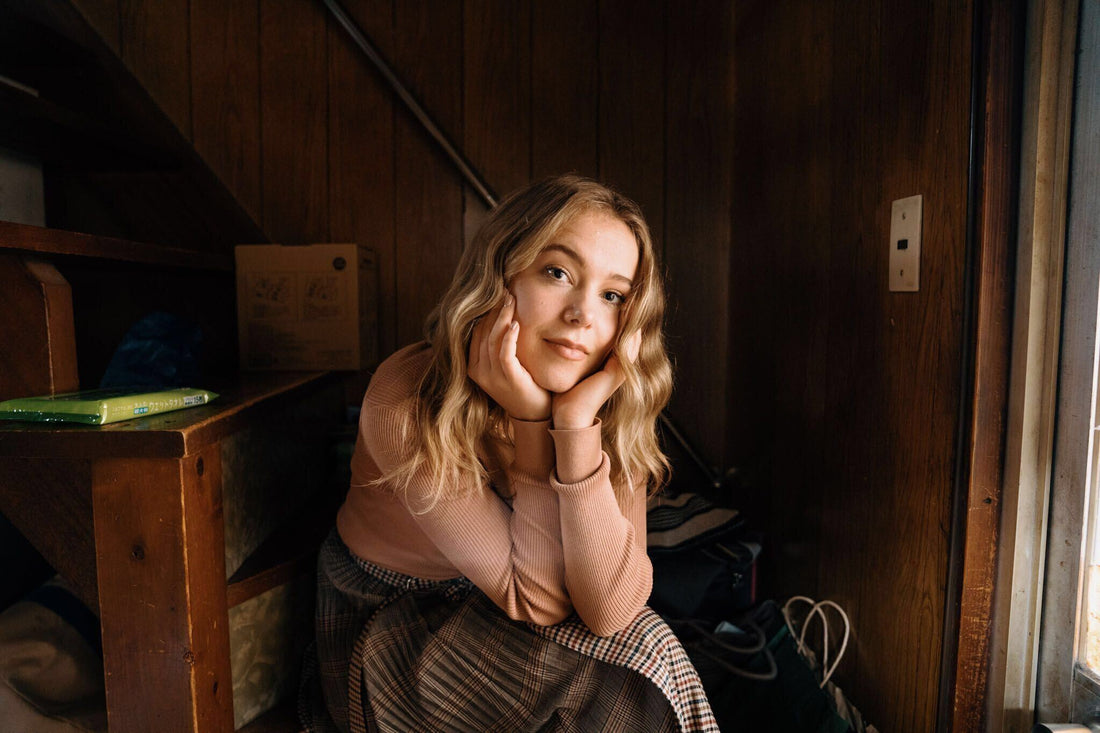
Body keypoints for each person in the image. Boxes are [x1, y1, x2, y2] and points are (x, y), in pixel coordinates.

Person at [299, 174, 717, 732]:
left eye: (613, 295)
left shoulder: (607, 403)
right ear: (500, 274)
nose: (582, 315)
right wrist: (530, 422)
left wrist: (572, 424)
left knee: (641, 650)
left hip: (512, 616)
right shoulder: (408, 394)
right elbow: (541, 602)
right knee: (632, 670)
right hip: (394, 627)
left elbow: (613, 608)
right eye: (558, 272)